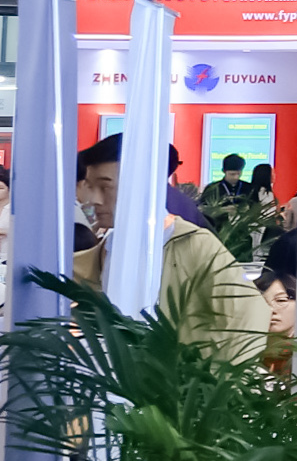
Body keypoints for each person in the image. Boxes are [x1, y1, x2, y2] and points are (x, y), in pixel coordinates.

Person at [73, 135, 270, 364]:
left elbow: (247, 314)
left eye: (105, 187)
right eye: (90, 186)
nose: (94, 199)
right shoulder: (106, 249)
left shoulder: (194, 244)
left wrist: (211, 376)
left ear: (142, 185)